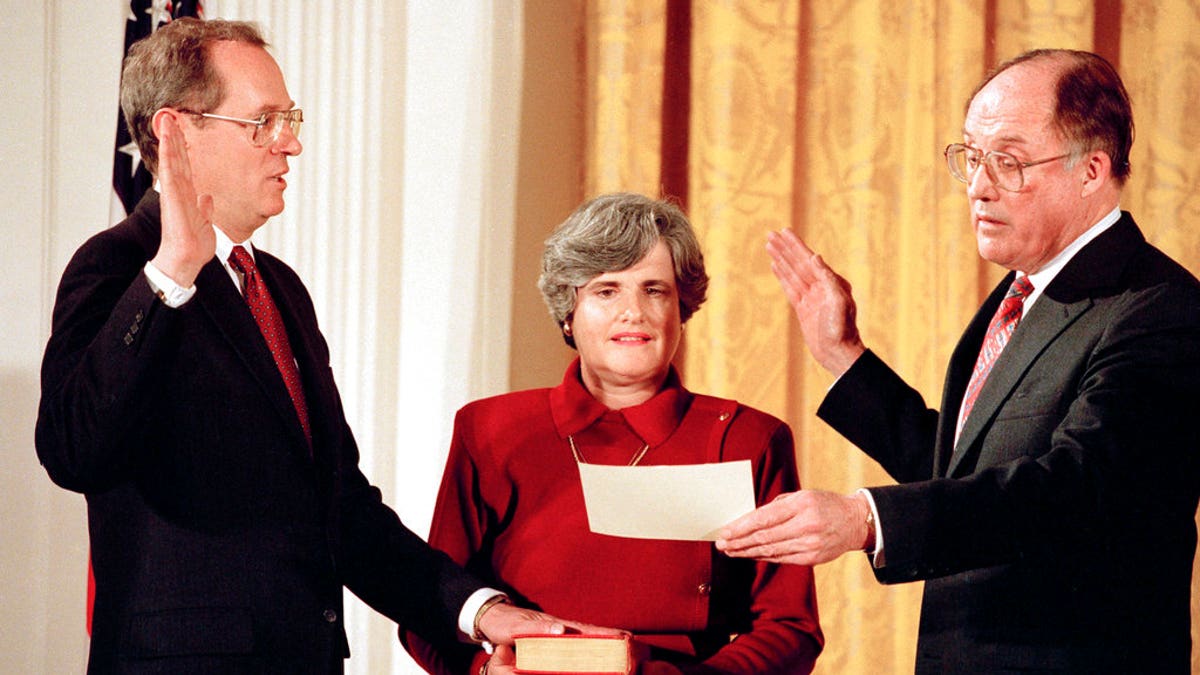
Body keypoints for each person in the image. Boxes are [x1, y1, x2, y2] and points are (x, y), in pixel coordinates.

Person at [34, 18, 613, 673]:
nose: (290, 144)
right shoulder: (119, 268)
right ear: (177, 132)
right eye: (263, 122)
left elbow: (340, 506)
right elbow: (74, 449)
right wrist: (170, 273)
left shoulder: (279, 288)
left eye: (290, 118)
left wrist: (477, 608)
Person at [715, 48, 1200, 673]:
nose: (977, 187)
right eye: (972, 156)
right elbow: (964, 469)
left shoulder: (1161, 307)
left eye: (1009, 161)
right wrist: (845, 357)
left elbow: (1077, 490)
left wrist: (867, 519)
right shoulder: (1023, 291)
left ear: (1091, 170)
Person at [400, 193, 824, 675]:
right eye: (606, 290)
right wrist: (484, 672)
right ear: (568, 310)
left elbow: (792, 629)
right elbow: (428, 606)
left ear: (681, 309)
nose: (633, 311)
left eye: (654, 290)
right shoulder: (490, 429)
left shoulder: (752, 438)